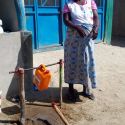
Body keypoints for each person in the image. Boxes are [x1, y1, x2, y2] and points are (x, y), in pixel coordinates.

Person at [63, 0, 99, 101]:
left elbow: (96, 17)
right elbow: (66, 20)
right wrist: (77, 28)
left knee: (86, 62)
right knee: (72, 62)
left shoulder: (91, 2)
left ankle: (86, 89)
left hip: (88, 38)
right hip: (73, 38)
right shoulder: (69, 5)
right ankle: (70, 90)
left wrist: (96, 28)